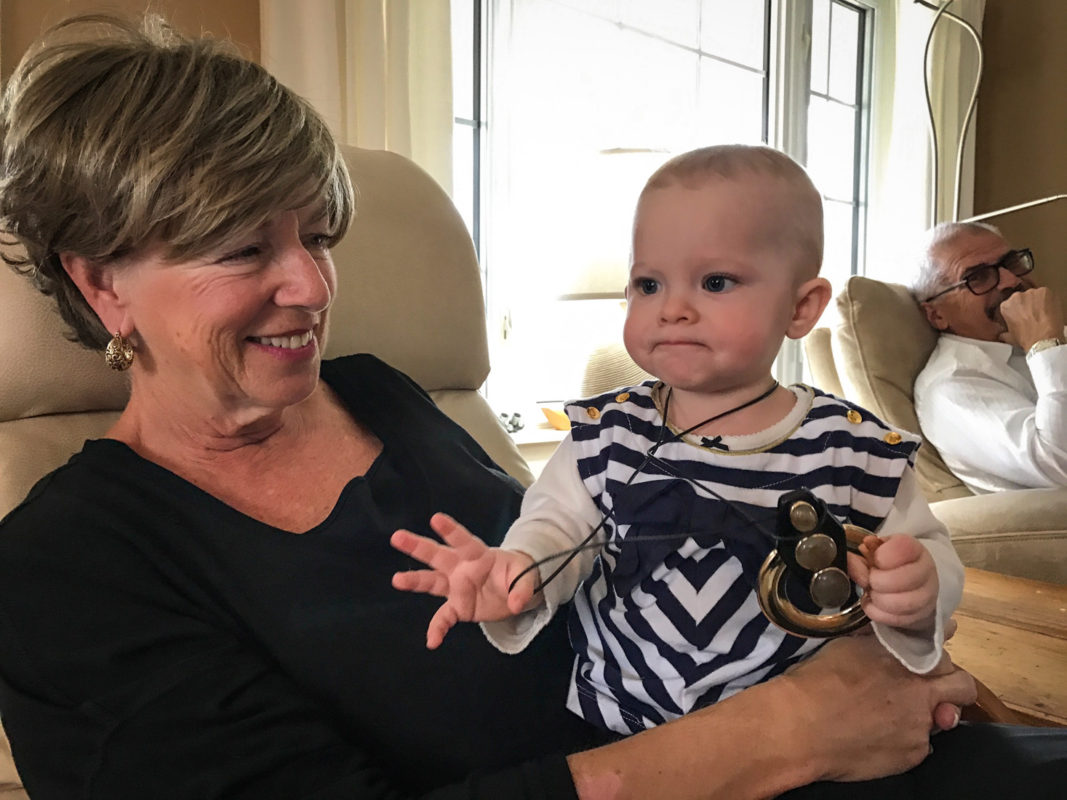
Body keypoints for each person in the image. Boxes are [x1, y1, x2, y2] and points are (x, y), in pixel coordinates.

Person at [0, 14, 1061, 800]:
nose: (314, 287)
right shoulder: (67, 571)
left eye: (317, 236)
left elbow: (599, 561)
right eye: (244, 249)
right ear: (101, 283)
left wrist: (883, 633)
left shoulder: (379, 391)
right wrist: (781, 729)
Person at [391, 145, 964, 736]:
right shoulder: (605, 434)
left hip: (801, 732)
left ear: (801, 307)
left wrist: (919, 588)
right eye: (648, 284)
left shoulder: (855, 449)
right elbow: (556, 526)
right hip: (617, 726)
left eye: (715, 282)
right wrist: (517, 569)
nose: (673, 309)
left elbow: (929, 552)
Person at [912, 222, 1067, 493]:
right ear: (937, 315)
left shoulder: (1039, 338)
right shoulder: (951, 386)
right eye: (979, 277)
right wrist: (1044, 344)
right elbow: (1060, 464)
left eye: (1012, 262)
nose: (1011, 280)